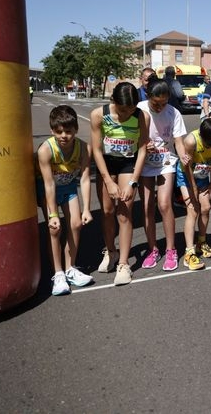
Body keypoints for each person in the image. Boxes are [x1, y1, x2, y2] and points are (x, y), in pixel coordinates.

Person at [90, 82, 149, 286]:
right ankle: (111, 251)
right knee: (107, 211)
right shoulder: (98, 115)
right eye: (123, 110)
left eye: (131, 109)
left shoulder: (141, 116)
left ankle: (123, 264)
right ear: (113, 101)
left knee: (124, 212)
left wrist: (133, 182)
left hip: (128, 163)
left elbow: (143, 149)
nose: (127, 114)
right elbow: (96, 150)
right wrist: (108, 180)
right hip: (106, 163)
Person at [35, 105, 94, 295]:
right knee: (55, 229)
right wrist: (53, 214)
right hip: (49, 190)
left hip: (68, 188)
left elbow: (85, 179)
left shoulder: (84, 148)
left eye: (68, 131)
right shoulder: (46, 150)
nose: (64, 136)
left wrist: (87, 209)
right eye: (59, 131)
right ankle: (58, 273)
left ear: (76, 129)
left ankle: (70, 268)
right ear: (52, 130)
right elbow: (49, 184)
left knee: (76, 224)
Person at [137, 77, 187, 271]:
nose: (160, 107)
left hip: (166, 160)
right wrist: (143, 144)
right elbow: (132, 137)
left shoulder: (173, 113)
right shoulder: (139, 109)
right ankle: (153, 249)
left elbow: (178, 142)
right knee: (147, 207)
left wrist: (183, 157)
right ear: (148, 96)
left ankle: (171, 249)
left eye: (164, 103)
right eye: (156, 103)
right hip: (145, 163)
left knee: (164, 204)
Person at [177, 118, 211, 270]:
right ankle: (189, 253)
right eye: (208, 145)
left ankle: (201, 242)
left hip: (203, 174)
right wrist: (193, 188)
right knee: (193, 210)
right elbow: (187, 167)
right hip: (186, 176)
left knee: (206, 207)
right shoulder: (191, 141)